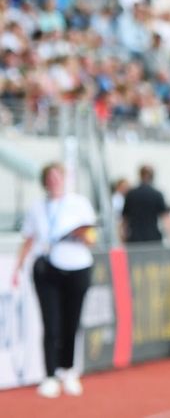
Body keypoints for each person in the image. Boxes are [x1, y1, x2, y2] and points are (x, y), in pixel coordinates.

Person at [10, 163, 97, 398]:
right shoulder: (37, 207)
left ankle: (68, 370)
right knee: (51, 324)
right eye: (51, 177)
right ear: (44, 181)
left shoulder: (79, 203)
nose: (55, 181)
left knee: (71, 322)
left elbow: (91, 236)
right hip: (47, 269)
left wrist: (81, 236)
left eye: (59, 176)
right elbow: (28, 239)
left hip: (77, 267)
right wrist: (17, 268)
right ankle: (49, 375)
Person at [121, 164, 170, 244]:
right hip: (153, 239)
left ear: (140, 175)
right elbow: (166, 218)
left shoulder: (131, 194)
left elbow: (125, 220)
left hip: (134, 240)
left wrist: (122, 239)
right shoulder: (157, 194)